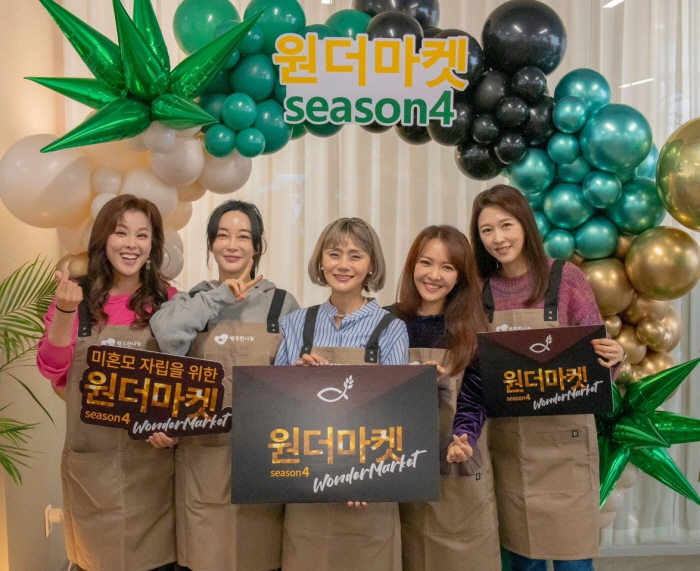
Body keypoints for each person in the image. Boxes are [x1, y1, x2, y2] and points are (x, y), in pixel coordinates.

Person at [469, 185, 625, 571]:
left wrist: (614, 357)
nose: (498, 238)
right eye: (487, 230)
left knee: (574, 563)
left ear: (525, 223)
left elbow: (600, 363)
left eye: (506, 225)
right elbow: (472, 371)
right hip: (509, 447)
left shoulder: (566, 279)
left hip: (566, 446)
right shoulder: (478, 291)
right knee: (523, 562)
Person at [149, 200, 300, 571]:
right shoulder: (193, 301)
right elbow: (166, 334)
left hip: (263, 462)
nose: (232, 244)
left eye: (243, 237)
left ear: (257, 246)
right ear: (211, 244)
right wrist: (220, 296)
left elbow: (295, 385)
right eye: (222, 235)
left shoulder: (282, 304)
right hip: (202, 464)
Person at [36, 194, 178, 571]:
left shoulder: (170, 301)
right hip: (92, 471)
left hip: (152, 469)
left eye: (142, 235)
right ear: (104, 239)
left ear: (153, 245)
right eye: (121, 232)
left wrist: (173, 427)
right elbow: (53, 369)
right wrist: (65, 311)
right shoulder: (75, 298)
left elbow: (187, 378)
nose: (131, 244)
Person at [274, 217, 409, 571]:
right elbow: (274, 407)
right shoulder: (296, 323)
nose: (343, 265)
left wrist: (367, 476)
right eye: (334, 254)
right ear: (321, 261)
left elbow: (396, 411)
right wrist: (297, 378)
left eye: (355, 256)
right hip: (307, 480)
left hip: (367, 486)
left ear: (372, 265)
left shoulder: (391, 329)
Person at [391, 225, 501, 571]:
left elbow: (475, 398)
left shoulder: (473, 327)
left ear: (460, 277)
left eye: (447, 267)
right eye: (426, 262)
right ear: (412, 265)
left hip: (454, 458)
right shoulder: (387, 321)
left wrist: (463, 436)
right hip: (395, 461)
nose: (434, 275)